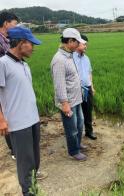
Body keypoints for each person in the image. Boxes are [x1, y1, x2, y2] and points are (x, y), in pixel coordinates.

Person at [0, 26, 44, 196]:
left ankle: (33, 188)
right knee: (25, 163)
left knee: (35, 160)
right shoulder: (3, 64)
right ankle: (29, 193)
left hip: (33, 119)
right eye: (30, 44)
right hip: (18, 124)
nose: (33, 47)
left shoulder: (25, 65)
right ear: (20, 43)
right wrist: (1, 119)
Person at [51, 28, 87, 161]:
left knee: (79, 124)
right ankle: (74, 151)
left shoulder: (69, 56)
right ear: (70, 41)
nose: (79, 45)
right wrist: (65, 104)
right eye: (77, 42)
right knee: (71, 128)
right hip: (68, 102)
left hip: (76, 99)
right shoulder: (59, 60)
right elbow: (59, 84)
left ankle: (77, 144)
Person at [0, 11, 19, 160]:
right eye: (14, 24)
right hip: (3, 85)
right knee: (5, 116)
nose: (16, 27)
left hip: (10, 84)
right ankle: (14, 150)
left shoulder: (6, 40)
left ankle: (16, 146)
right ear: (6, 23)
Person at [73, 34, 97, 140]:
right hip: (76, 90)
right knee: (77, 113)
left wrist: (92, 87)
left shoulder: (86, 58)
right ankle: (76, 134)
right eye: (84, 44)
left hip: (87, 89)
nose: (86, 46)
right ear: (77, 44)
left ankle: (89, 131)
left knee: (88, 111)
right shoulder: (71, 58)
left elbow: (89, 73)